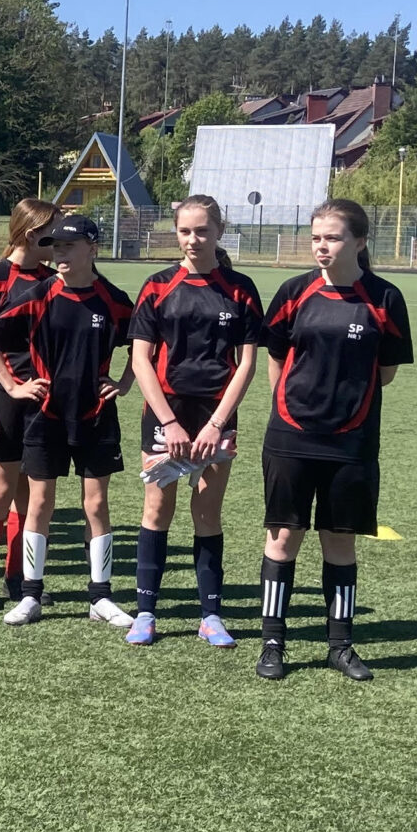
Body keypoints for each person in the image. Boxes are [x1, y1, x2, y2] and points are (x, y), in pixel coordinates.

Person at [255, 198, 412, 682]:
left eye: (333, 237)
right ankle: (272, 643)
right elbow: (276, 358)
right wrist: (291, 408)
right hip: (291, 436)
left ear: (360, 242)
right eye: (316, 238)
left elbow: (385, 373)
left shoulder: (384, 298)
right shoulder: (294, 291)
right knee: (283, 537)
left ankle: (340, 646)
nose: (322, 246)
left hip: (352, 441)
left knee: (340, 541)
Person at [123, 195, 264, 647]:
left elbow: (246, 364)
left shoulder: (240, 289)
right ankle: (146, 613)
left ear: (219, 231)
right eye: (185, 231)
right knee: (156, 509)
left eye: (202, 230)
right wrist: (169, 422)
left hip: (215, 416)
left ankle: (211, 616)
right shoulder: (157, 286)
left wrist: (217, 424)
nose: (193, 239)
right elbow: (141, 360)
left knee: (206, 512)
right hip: (166, 415)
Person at [0, 210, 132, 627]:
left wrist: (125, 382)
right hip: (46, 417)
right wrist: (13, 386)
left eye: (69, 246)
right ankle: (31, 594)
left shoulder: (113, 300)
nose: (59, 254)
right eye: (55, 247)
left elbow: (146, 343)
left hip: (96, 416)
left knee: (96, 504)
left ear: (93, 249)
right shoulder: (38, 295)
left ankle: (100, 597)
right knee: (40, 503)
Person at [0, 198, 60, 611]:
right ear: (32, 235)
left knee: (31, 495)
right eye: (54, 234)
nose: (60, 242)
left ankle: (18, 577)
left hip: (44, 405)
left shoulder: (55, 279)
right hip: (4, 402)